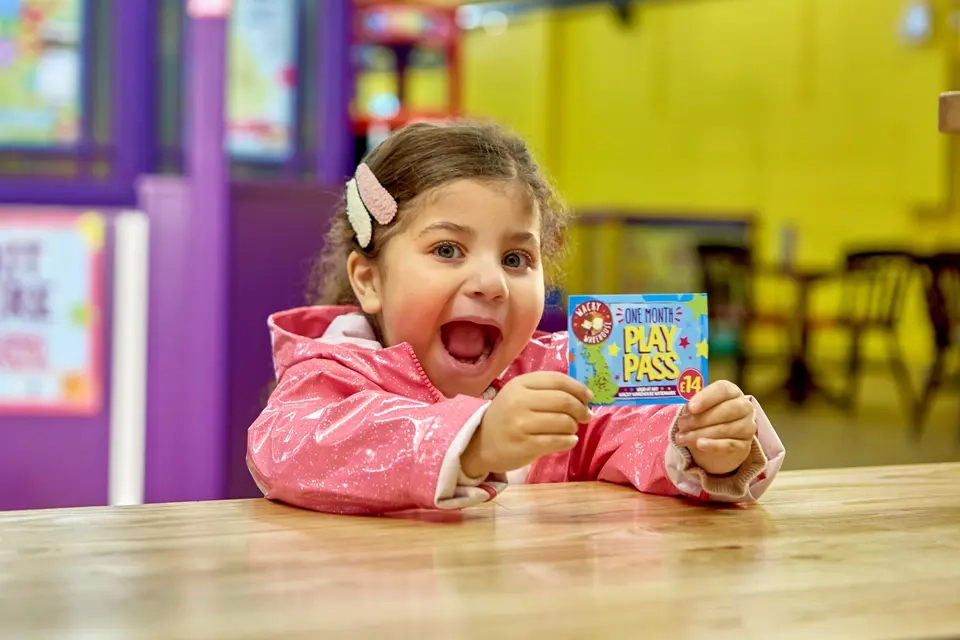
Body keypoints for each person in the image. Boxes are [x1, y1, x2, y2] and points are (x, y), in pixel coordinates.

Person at [247, 121, 785, 515]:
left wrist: (700, 444)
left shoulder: (556, 372)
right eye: (447, 250)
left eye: (515, 258)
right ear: (368, 280)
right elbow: (288, 446)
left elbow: (620, 429)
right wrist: (476, 443)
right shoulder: (329, 375)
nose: (491, 283)